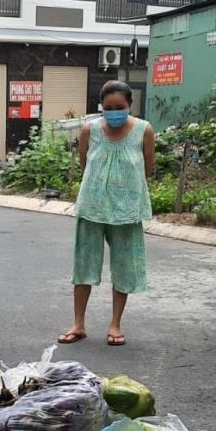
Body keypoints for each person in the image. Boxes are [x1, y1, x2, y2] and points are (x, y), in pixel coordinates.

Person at [59, 80, 154, 348]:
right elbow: (84, 163)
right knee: (84, 265)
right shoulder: (90, 129)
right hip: (92, 207)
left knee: (124, 267)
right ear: (101, 107)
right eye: (108, 107)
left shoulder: (144, 130)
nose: (114, 112)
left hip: (127, 211)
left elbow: (147, 168)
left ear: (129, 105)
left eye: (119, 107)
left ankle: (115, 324)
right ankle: (78, 323)